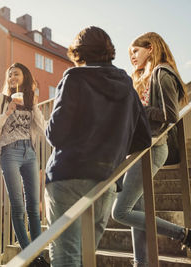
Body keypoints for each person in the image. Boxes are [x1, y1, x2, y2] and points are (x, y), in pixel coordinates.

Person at [44, 26, 152, 267]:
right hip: (106, 179)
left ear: (79, 52)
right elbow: (144, 139)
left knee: (66, 256)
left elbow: (55, 135)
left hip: (68, 176)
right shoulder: (127, 85)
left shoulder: (74, 77)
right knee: (86, 257)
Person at [111, 32, 190, 267]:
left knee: (120, 212)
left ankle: (183, 234)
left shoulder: (161, 72)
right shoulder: (144, 76)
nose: (132, 57)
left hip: (153, 148)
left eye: (135, 50)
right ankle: (141, 262)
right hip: (139, 150)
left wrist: (138, 111)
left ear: (151, 48)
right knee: (137, 210)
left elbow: (170, 115)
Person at [0, 62, 48, 266]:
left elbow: (43, 127)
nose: (13, 78)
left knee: (33, 206)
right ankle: (30, 253)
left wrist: (34, 102)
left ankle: (37, 254)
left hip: (29, 152)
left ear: (25, 77)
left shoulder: (30, 100)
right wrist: (7, 112)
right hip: (9, 152)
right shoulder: (1, 99)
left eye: (17, 74)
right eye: (10, 75)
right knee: (18, 205)